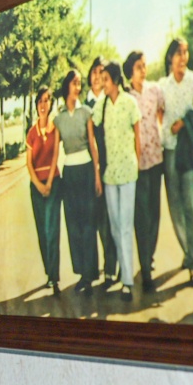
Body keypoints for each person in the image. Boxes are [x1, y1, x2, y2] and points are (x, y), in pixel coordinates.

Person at [157, 37, 193, 286]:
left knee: (191, 205)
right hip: (169, 150)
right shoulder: (162, 86)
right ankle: (188, 252)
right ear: (170, 57)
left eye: (186, 53)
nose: (183, 58)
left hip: (188, 149)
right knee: (175, 205)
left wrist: (184, 123)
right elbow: (159, 117)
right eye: (178, 53)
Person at [94, 60, 142, 300]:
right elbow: (90, 128)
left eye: (105, 79)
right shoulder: (101, 105)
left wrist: (138, 165)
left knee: (125, 226)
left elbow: (138, 137)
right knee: (115, 227)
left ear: (113, 80)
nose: (102, 83)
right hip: (110, 174)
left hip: (128, 172)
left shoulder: (130, 102)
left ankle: (127, 280)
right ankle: (125, 271)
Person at [52, 69, 102, 293]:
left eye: (80, 83)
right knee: (73, 226)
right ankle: (81, 274)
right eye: (74, 83)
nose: (78, 87)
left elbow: (93, 144)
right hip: (69, 175)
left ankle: (91, 275)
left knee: (89, 223)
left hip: (87, 170)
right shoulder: (59, 119)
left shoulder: (86, 112)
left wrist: (97, 175)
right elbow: (55, 152)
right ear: (66, 87)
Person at [125, 51, 167, 287]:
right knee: (141, 217)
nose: (143, 69)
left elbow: (161, 112)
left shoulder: (155, 90)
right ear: (130, 70)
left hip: (156, 160)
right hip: (137, 166)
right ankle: (146, 269)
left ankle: (149, 258)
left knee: (154, 212)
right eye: (139, 66)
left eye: (144, 65)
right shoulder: (126, 96)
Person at [86, 57, 119, 284]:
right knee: (95, 221)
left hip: (110, 167)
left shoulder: (110, 102)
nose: (97, 76)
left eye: (101, 72)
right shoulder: (84, 106)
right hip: (88, 171)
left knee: (110, 219)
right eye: (94, 72)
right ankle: (95, 268)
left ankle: (111, 266)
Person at [25, 86, 61, 292]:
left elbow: (56, 155)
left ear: (51, 104)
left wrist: (48, 184)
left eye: (46, 100)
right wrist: (39, 185)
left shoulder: (55, 129)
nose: (42, 104)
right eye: (39, 100)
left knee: (52, 229)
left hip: (54, 183)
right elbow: (29, 164)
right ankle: (49, 272)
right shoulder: (32, 133)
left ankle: (54, 278)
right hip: (36, 187)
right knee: (42, 231)